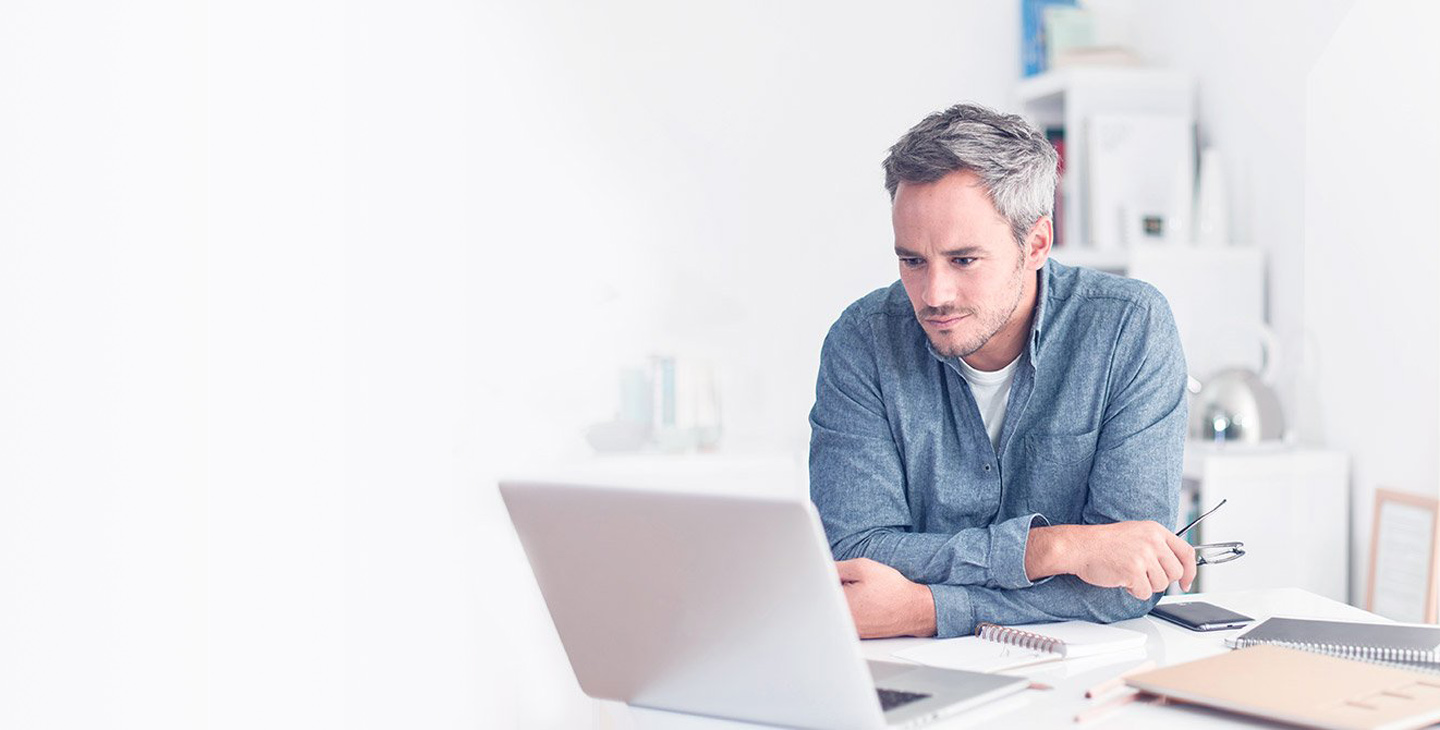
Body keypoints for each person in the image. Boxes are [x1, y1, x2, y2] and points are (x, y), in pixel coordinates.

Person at [809, 103, 1197, 639]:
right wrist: (1056, 548)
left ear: (1035, 243)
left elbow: (1126, 584)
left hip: (1077, 674)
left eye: (964, 260)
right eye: (912, 261)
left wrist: (925, 609)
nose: (934, 295)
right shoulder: (862, 341)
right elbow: (855, 557)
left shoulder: (1128, 328)